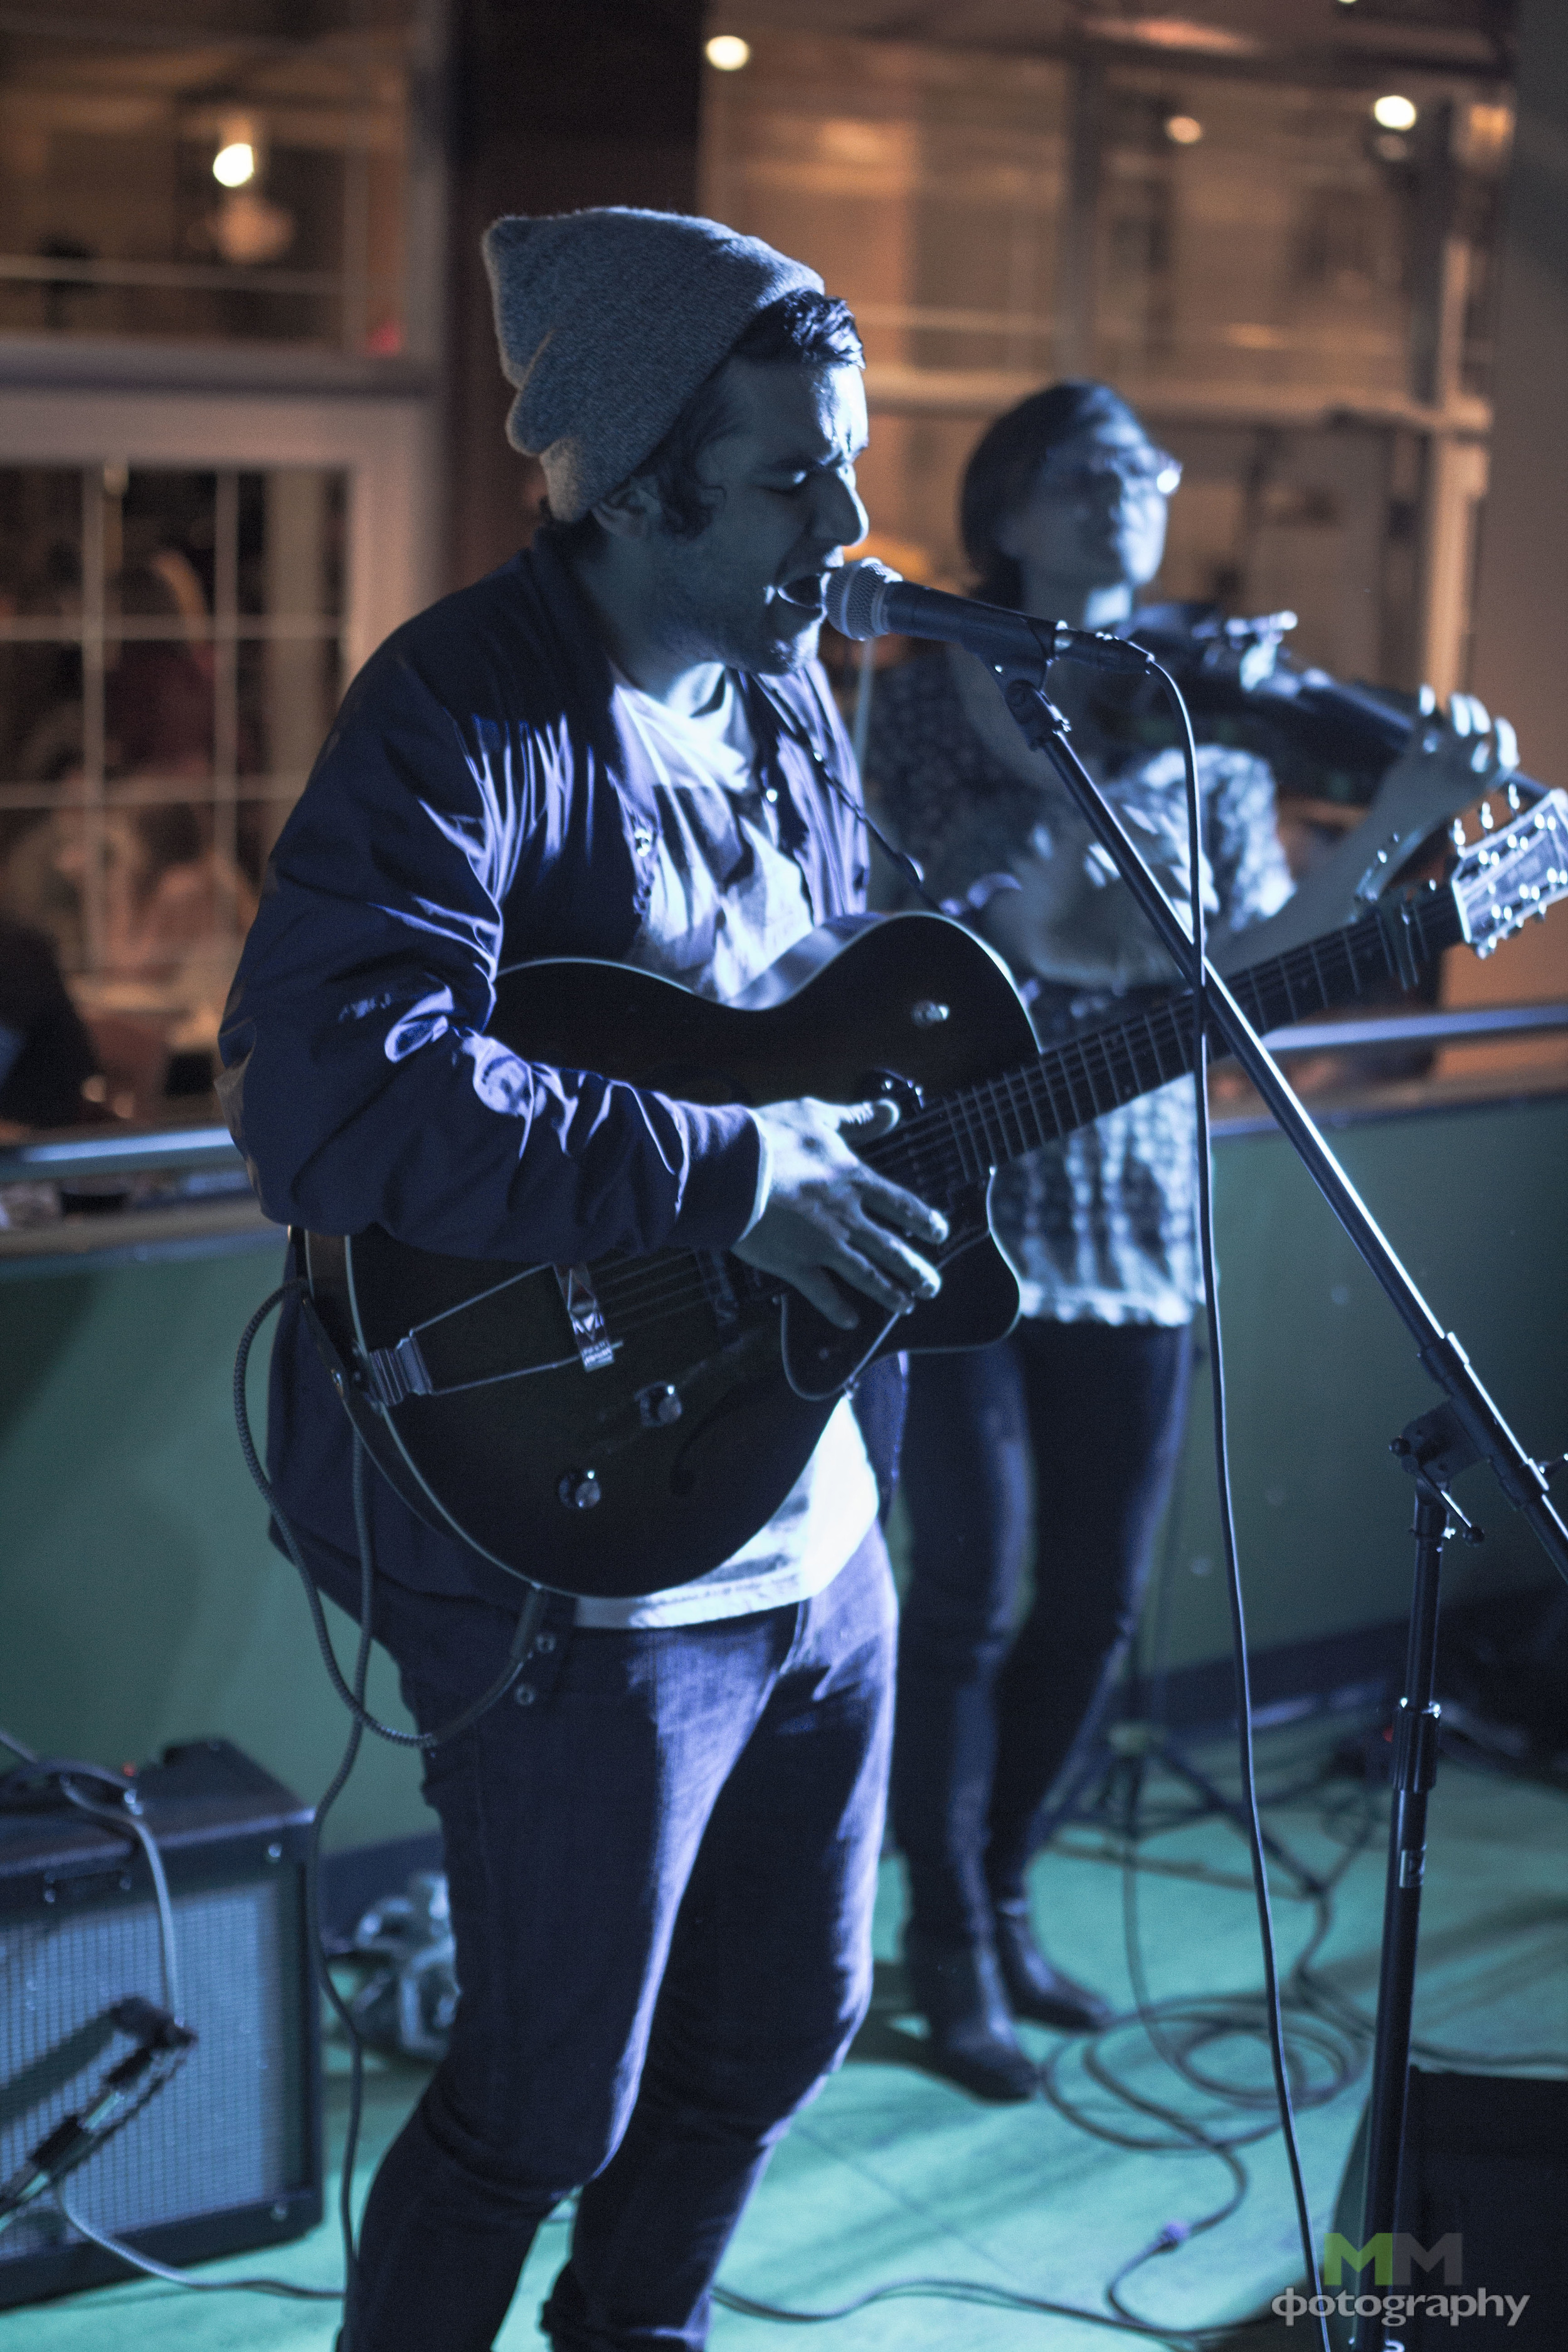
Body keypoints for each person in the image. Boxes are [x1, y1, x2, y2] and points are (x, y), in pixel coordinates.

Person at [218, 208, 949, 2352]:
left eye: (850, 460)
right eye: (795, 476)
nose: (848, 518)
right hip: (581, 1552)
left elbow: (799, 1024)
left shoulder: (790, 682)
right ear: (631, 488)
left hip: (809, 1511)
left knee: (786, 2029)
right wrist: (730, 1175)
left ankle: (638, 2334)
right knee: (544, 2105)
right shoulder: (462, 703)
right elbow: (333, 1098)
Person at [862, 378, 1517, 2100]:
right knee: (972, 1594)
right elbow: (939, 929)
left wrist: (1396, 814)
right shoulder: (925, 706)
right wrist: (1109, 777)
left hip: (1140, 1204)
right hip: (965, 1202)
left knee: (1087, 1606)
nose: (1124, 499)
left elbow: (1260, 965)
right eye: (1085, 475)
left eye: (1143, 474)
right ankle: (937, 1935)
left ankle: (1001, 1895)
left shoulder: (1206, 722)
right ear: (1007, 512)